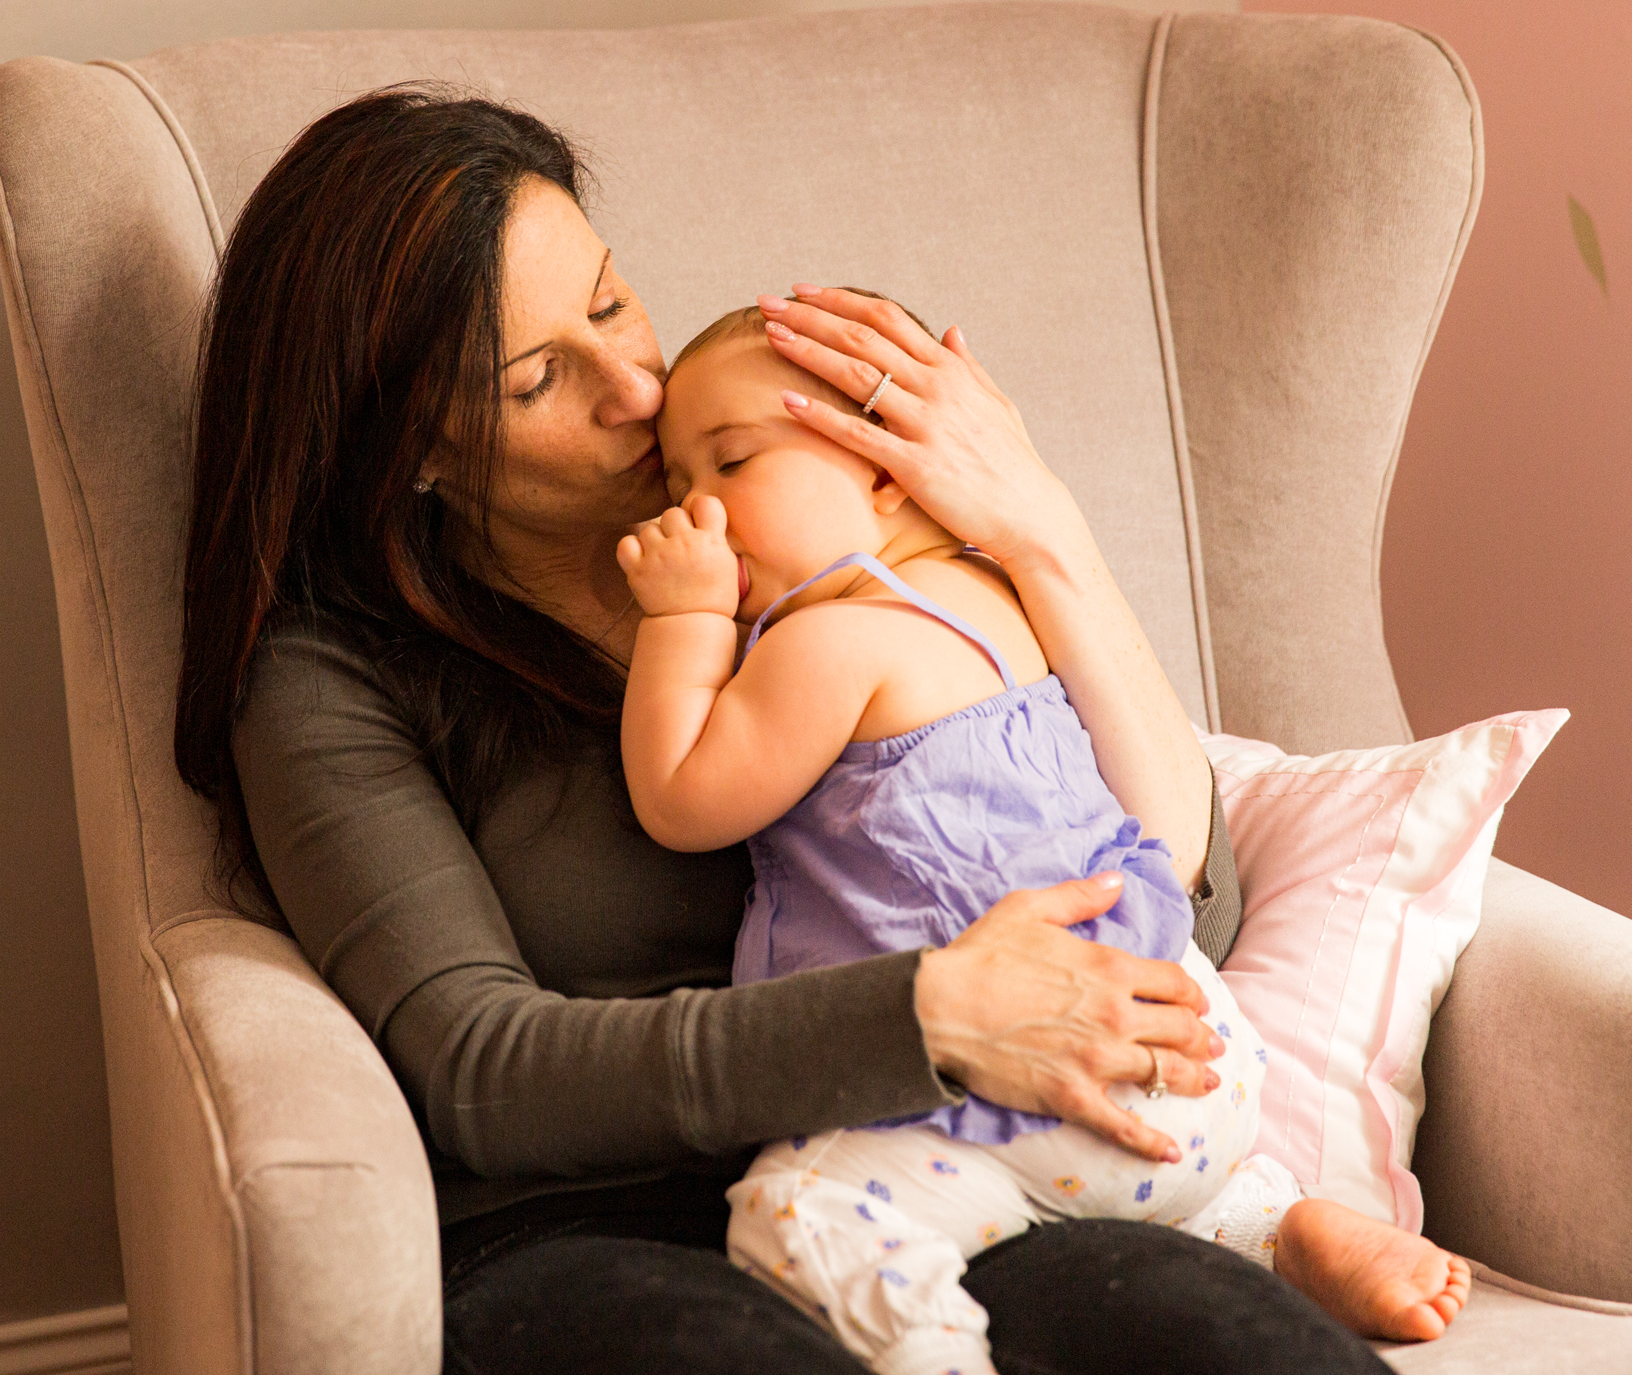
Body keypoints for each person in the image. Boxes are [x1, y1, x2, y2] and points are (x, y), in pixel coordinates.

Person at [174, 84, 1402, 1375]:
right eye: (539, 378)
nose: (636, 389)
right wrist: (929, 1015)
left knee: (1237, 1346)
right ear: (410, 453)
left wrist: (1043, 533)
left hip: (962, 1157)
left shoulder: (819, 539)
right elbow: (480, 1068)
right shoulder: (333, 676)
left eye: (610, 303)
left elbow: (1190, 905)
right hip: (590, 1228)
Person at [614, 299, 1472, 1374]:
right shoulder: (997, 596)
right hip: (1192, 1046)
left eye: (731, 463)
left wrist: (682, 619)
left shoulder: (829, 640)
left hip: (1031, 1076)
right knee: (1104, 1187)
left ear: (885, 475)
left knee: (796, 1211)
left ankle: (933, 1352)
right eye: (673, 485)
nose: (695, 511)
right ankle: (1266, 1219)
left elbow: (680, 797)